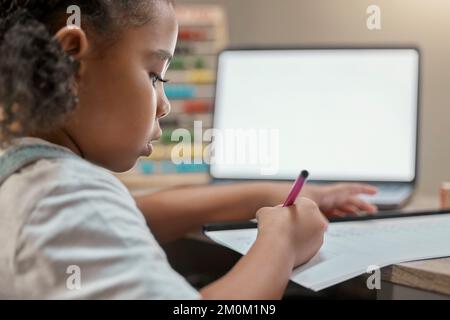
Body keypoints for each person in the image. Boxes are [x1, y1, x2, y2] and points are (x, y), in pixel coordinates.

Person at [0, 0, 377, 299]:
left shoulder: (26, 174)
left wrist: (268, 193)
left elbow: (136, 214)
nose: (163, 104)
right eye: (154, 75)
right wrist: (282, 244)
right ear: (71, 63)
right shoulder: (67, 195)